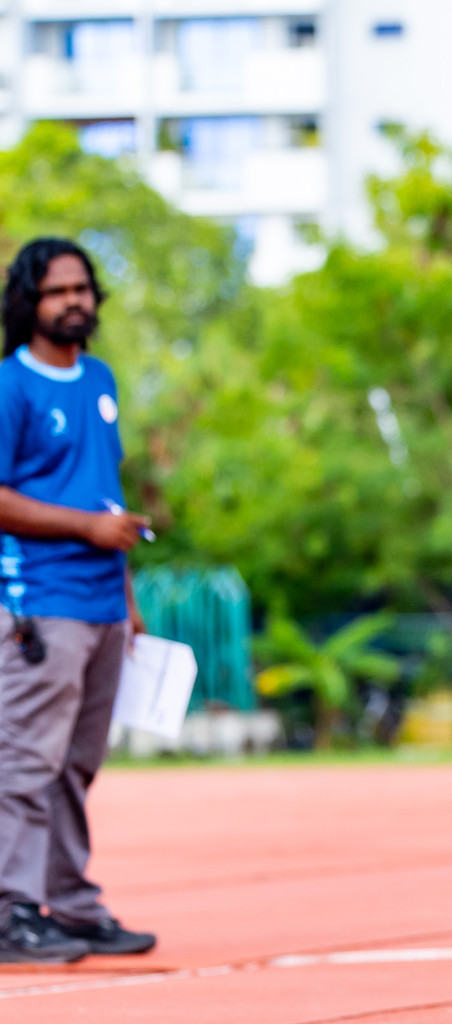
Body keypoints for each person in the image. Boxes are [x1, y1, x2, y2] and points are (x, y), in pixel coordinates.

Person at [0, 238, 157, 962]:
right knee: (26, 761)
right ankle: (9, 912)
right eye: (58, 291)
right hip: (40, 599)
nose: (75, 302)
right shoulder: (11, 385)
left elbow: (105, 493)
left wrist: (125, 597)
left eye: (84, 289)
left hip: (99, 603)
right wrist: (86, 528)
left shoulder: (99, 378)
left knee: (76, 765)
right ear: (29, 301)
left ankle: (67, 904)